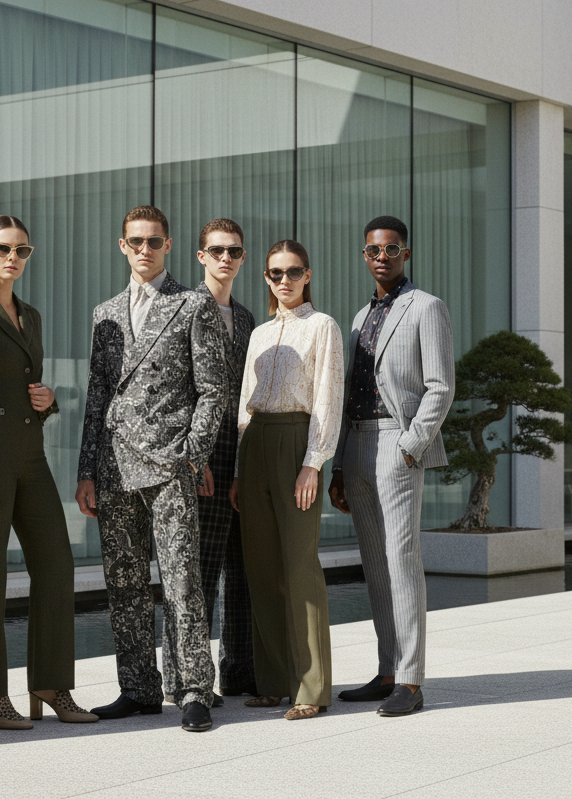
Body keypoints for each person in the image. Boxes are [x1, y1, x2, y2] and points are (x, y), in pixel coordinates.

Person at [77, 205, 226, 733]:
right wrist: (86, 470)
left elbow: (213, 389)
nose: (145, 250)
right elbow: (98, 398)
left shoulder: (193, 303)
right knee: (125, 582)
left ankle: (193, 689)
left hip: (169, 465)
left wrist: (193, 455)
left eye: (154, 242)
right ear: (122, 246)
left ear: (168, 245)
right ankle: (138, 689)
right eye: (136, 241)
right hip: (114, 466)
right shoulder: (106, 313)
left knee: (182, 580)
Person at [0, 215, 97, 730]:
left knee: (56, 564)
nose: (14, 258)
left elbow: (25, 385)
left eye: (23, 251)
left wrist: (48, 399)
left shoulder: (29, 315)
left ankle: (51, 685)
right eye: (4, 248)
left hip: (31, 455)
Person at [329, 215, 455, 718]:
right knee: (376, 565)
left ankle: (411, 679)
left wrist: (410, 445)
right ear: (365, 255)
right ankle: (386, 671)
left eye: (391, 248)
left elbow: (441, 386)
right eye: (372, 250)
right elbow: (347, 393)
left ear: (406, 252)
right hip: (356, 445)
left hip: (395, 444)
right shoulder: (360, 317)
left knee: (401, 560)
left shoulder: (427, 308)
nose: (381, 256)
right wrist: (338, 466)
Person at [230, 239, 344, 720]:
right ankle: (274, 680)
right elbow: (244, 402)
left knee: (300, 567)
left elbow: (327, 397)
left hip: (297, 442)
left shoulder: (323, 328)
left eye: (293, 271)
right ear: (267, 279)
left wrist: (313, 462)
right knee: (262, 568)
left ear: (308, 274)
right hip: (255, 444)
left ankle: (312, 688)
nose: (284, 280)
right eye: (275, 273)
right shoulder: (258, 333)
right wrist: (239, 467)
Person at [162, 218, 258, 705]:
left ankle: (239, 670)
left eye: (234, 252)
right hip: (197, 458)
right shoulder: (180, 308)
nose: (226, 258)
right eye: (217, 250)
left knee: (241, 569)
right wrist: (192, 456)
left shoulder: (246, 319)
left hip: (240, 454)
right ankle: (183, 679)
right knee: (193, 574)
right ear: (200, 256)